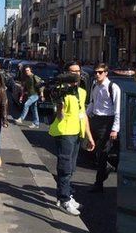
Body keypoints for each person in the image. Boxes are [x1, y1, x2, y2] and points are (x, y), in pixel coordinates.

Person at [49, 67, 95, 216]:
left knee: (72, 168)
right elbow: (59, 115)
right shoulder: (61, 90)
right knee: (65, 166)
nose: (75, 74)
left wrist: (89, 136)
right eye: (71, 71)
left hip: (77, 132)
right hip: (64, 132)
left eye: (77, 71)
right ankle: (64, 199)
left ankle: (65, 194)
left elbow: (83, 114)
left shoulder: (82, 92)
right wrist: (59, 104)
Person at [86, 62, 121, 193]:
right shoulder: (95, 85)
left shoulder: (113, 87)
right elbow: (92, 103)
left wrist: (114, 129)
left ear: (106, 73)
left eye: (100, 72)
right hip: (95, 119)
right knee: (91, 149)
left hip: (107, 122)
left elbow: (117, 109)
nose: (97, 74)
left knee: (102, 153)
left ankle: (98, 184)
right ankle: (107, 167)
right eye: (95, 72)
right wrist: (86, 115)